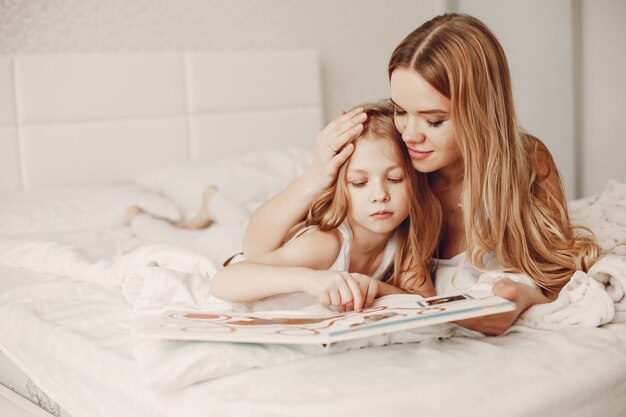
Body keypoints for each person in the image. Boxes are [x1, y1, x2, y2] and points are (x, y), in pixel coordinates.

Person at [242, 13, 599, 335]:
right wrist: (313, 177)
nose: (410, 133)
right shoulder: (395, 163)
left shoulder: (527, 163)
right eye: (400, 110)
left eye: (433, 120)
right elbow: (254, 250)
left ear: (480, 113)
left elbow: (555, 265)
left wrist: (522, 296)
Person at [211, 102, 440, 312]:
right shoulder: (324, 243)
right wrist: (309, 279)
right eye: (360, 183)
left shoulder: (404, 237)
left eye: (395, 179)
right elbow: (223, 281)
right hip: (247, 256)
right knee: (232, 219)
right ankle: (209, 198)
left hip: (273, 248)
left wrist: (377, 287)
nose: (380, 195)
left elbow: (424, 299)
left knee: (237, 217)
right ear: (340, 188)